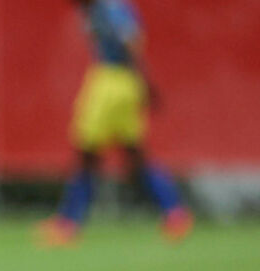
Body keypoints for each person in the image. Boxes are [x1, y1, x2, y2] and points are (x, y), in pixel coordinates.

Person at [38, 0, 193, 246]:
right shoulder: (100, 8)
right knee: (135, 156)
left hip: (112, 83)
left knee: (87, 155)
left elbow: (130, 42)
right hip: (122, 83)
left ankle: (68, 224)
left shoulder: (109, 7)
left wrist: (146, 81)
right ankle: (175, 213)